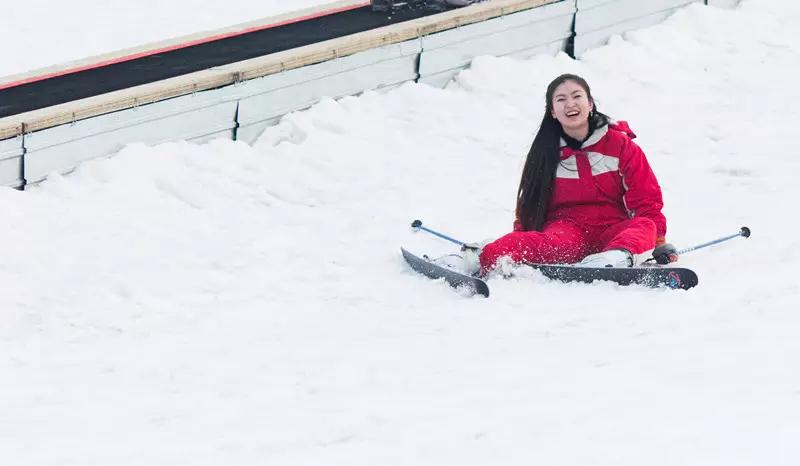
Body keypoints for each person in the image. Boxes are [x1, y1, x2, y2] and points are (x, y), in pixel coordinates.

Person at [475, 73, 677, 274]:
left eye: (576, 96)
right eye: (561, 99)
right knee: (523, 245)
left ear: (590, 104)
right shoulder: (546, 152)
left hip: (613, 231)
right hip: (567, 234)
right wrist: (522, 242)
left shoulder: (621, 145)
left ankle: (614, 260)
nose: (570, 104)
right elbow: (530, 204)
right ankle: (474, 257)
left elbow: (647, 200)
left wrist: (659, 241)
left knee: (645, 226)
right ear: (553, 112)